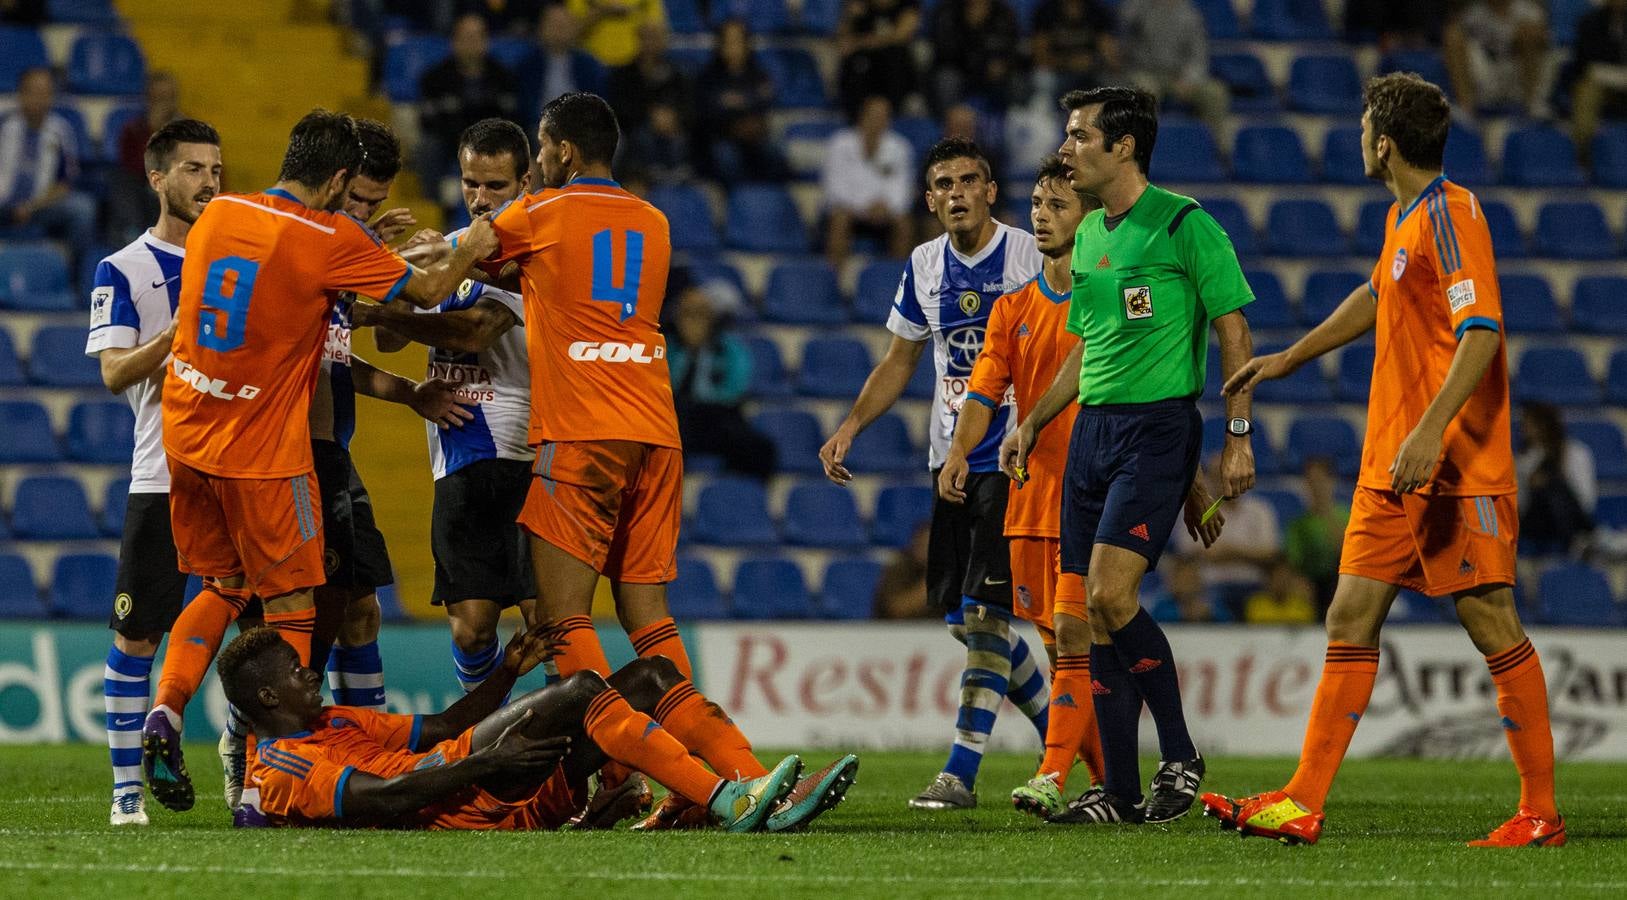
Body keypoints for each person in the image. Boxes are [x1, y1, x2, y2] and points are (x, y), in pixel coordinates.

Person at [479, 92, 858, 831]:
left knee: (564, 626)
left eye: (540, 149)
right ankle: (749, 771)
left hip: (582, 435)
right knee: (649, 623)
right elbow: (571, 286)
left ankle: (663, 780)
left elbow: (455, 267)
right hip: (656, 430)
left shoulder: (540, 214)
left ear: (558, 150)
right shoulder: (652, 220)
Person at [1206, 73, 1563, 848]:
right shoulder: (1403, 218)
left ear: (1384, 144)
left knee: (1489, 619)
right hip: (1388, 466)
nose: (1359, 136)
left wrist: (1431, 431)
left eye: (1364, 125)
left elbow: (1480, 332)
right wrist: (1290, 358)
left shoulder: (1451, 213)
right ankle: (1302, 798)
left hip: (1449, 464)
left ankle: (1540, 812)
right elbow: (1376, 294)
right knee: (1348, 615)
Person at [140, 108, 503, 815]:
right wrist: (473, 245)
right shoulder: (329, 235)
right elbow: (425, 292)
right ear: (338, 178)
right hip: (264, 455)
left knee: (220, 585)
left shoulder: (222, 213)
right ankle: (270, 777)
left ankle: (165, 708)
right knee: (293, 612)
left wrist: (367, 244)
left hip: (186, 433)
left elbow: (286, 274)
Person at [1003, 86, 1257, 826]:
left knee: (1113, 598)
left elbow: (1234, 335)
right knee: (1085, 615)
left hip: (1156, 429)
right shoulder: (1087, 237)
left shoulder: (1184, 225)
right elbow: (1085, 349)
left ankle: (1178, 753)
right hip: (1091, 433)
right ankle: (1116, 791)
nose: (1064, 148)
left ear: (1123, 147)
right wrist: (1030, 422)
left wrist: (1236, 438)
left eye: (1079, 135)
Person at [820, 137, 1048, 811]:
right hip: (949, 456)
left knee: (983, 617)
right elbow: (899, 360)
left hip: (1013, 456)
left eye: (967, 180)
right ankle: (1069, 737)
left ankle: (959, 773)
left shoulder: (1027, 253)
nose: (954, 192)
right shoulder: (923, 263)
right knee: (964, 617)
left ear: (988, 191)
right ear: (928, 199)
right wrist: (850, 425)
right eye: (942, 182)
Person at [217, 626, 843, 832]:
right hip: (468, 800)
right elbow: (382, 800)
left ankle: (762, 791)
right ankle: (725, 799)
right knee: (581, 691)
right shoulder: (281, 768)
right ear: (268, 697)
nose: (312, 674)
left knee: (650, 674)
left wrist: (505, 671)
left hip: (484, 772)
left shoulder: (334, 718)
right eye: (299, 673)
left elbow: (444, 724)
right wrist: (490, 764)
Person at [937, 156, 1109, 820]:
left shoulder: (1104, 298)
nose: (1041, 214)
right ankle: (1110, 781)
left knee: (1073, 636)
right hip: (1028, 496)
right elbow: (984, 387)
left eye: (1057, 204)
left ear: (1089, 217)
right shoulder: (1013, 308)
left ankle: (1052, 774)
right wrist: (958, 452)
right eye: (1036, 202)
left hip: (1090, 489)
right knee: (1056, 646)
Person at [355, 118, 544, 696]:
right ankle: (486, 743)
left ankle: (582, 764)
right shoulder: (451, 251)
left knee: (550, 626)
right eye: (470, 184)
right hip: (458, 457)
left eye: (496, 186)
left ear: (526, 181)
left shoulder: (529, 254)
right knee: (469, 631)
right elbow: (391, 343)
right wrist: (397, 277)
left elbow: (473, 332)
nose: (481, 200)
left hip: (529, 457)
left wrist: (384, 311)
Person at [83, 119, 222, 827]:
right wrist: (174, 337)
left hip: (241, 473)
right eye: (193, 169)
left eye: (216, 170)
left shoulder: (238, 262)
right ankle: (125, 793)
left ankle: (253, 780)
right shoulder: (123, 268)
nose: (208, 182)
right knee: (137, 637)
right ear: (157, 176)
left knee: (264, 628)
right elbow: (113, 373)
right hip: (162, 475)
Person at [668, 283, 776, 479]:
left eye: (700, 314)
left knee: (760, 448)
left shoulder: (731, 349)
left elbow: (734, 389)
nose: (693, 322)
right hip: (677, 416)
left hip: (718, 416)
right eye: (687, 314)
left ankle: (733, 497)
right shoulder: (667, 347)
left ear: (711, 318)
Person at [417, 13, 520, 192]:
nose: (472, 43)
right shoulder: (435, 78)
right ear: (454, 41)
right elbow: (429, 120)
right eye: (466, 37)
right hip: (449, 141)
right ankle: (433, 207)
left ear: (486, 41)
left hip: (493, 142)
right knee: (428, 147)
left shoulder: (503, 77)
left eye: (477, 36)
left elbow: (512, 118)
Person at [0, 67, 97, 256]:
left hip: (39, 207)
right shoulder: (4, 125)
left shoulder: (61, 130)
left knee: (83, 209)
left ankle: (74, 279)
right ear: (21, 93)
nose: (39, 98)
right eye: (33, 91)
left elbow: (64, 184)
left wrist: (30, 207)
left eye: (45, 92)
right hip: (2, 204)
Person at [821, 95, 915, 270]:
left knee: (904, 223)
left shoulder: (899, 147)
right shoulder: (840, 143)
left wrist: (887, 207)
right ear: (862, 116)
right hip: (849, 211)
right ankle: (835, 279)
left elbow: (902, 189)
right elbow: (834, 188)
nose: (878, 121)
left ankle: (896, 284)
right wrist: (864, 207)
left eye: (883, 116)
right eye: (873, 116)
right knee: (839, 219)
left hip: (884, 213)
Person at [1117, 0, 1230, 137]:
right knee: (1146, 92)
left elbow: (1198, 54)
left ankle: (1217, 151)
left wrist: (1189, 79)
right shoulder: (1139, 6)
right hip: (1144, 72)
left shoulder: (1190, 14)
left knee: (1215, 93)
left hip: (1177, 76)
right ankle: (1142, 149)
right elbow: (1122, 22)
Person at [697, 18, 790, 186]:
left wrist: (735, 104)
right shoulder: (709, 76)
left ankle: (770, 198)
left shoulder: (758, 73)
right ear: (720, 45)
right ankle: (739, 203)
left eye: (738, 41)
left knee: (775, 151)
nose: (733, 47)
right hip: (723, 138)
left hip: (755, 137)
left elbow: (765, 101)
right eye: (729, 42)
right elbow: (707, 111)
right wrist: (737, 112)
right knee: (725, 156)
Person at [1443, 0, 1551, 120]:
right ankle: (1466, 110)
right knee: (1453, 35)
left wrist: (1520, 40)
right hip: (1488, 74)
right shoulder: (1474, 12)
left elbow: (1544, 45)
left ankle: (1533, 105)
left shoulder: (1528, 9)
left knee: (1529, 33)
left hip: (1518, 75)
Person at [108, 72, 182, 245]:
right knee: (120, 179)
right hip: (141, 189)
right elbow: (133, 166)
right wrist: (152, 131)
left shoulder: (189, 131)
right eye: (157, 99)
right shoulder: (133, 130)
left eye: (167, 98)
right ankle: (130, 236)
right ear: (148, 100)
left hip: (175, 191)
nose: (162, 104)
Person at [1515, 402, 1596, 555]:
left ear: (1545, 425)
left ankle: (1576, 538)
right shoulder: (1523, 459)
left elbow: (1586, 500)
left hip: (1570, 515)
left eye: (1529, 424)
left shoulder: (1576, 452)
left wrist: (1557, 480)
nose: (1523, 429)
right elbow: (1519, 505)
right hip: (1536, 520)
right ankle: (1580, 539)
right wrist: (1533, 485)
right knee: (1547, 485)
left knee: (1553, 483)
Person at [928, 0, 1025, 115]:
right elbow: (944, 52)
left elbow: (1012, 50)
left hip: (994, 75)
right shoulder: (947, 11)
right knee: (946, 79)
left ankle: (1015, 126)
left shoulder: (1004, 13)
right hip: (959, 70)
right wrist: (973, 28)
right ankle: (950, 128)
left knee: (1017, 82)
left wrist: (1003, 65)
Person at [518, 5, 607, 124]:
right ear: (541, 28)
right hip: (541, 126)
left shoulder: (588, 64)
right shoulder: (528, 65)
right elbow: (524, 105)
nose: (559, 30)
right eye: (554, 25)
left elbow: (598, 102)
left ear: (574, 29)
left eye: (565, 25)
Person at [604, 20, 692, 140]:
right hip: (635, 131)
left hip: (673, 130)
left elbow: (689, 106)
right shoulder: (622, 75)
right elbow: (618, 109)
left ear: (664, 41)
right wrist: (651, 115)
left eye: (655, 38)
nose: (650, 43)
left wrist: (674, 117)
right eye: (646, 38)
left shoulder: (678, 74)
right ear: (638, 40)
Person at [1286, 457, 1351, 613]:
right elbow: (1293, 563)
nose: (1316, 486)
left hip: (1342, 580)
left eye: (1320, 480)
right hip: (1313, 585)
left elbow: (1349, 552)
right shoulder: (1299, 524)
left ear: (1331, 481)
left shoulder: (1347, 516)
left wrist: (1326, 514)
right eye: (1311, 481)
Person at [836, 0, 921, 119]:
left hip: (894, 62)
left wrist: (860, 43)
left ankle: (894, 112)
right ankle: (855, 115)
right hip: (865, 62)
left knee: (894, 57)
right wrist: (851, 18)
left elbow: (901, 36)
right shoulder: (860, 4)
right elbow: (843, 41)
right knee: (855, 64)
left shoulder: (907, 4)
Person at [1570, 0, 1627, 174]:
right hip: (1602, 82)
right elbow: (1584, 64)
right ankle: (1584, 154)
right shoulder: (1590, 22)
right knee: (1586, 91)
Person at [1029, 0, 1118, 100]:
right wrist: (1069, 62)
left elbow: (1111, 58)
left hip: (1090, 72)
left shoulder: (1098, 11)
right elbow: (1040, 58)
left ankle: (1107, 114)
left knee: (1113, 81)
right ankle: (1045, 114)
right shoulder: (1046, 11)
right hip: (1058, 71)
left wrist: (1094, 62)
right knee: (1042, 78)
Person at [566, 0, 667, 68]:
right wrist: (605, 11)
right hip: (591, 67)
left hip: (635, 69)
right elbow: (570, 32)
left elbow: (656, 30)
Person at [874, 523, 936, 619]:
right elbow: (895, 611)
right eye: (923, 545)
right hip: (897, 631)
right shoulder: (899, 569)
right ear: (914, 545)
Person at [1242, 561, 1319, 625]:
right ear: (1269, 580)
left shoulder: (1301, 606)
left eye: (1285, 579)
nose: (1281, 583)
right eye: (1277, 579)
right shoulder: (1256, 604)